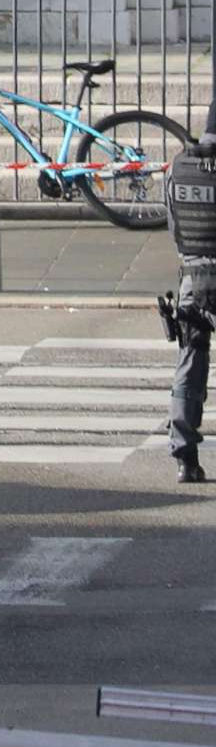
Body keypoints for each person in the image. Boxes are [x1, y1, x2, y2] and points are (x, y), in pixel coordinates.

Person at [164, 111, 216, 483]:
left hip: (193, 279)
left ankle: (185, 457)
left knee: (190, 364)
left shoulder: (179, 168)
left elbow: (173, 226)